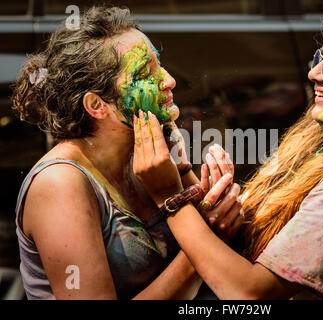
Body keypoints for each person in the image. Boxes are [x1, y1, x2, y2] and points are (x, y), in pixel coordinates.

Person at [133, 0, 323, 299]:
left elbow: (250, 294)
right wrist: (194, 183)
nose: (314, 73)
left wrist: (169, 197)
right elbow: (269, 245)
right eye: (318, 57)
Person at [12, 6, 242, 300]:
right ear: (96, 105)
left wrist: (211, 198)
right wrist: (205, 244)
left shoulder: (147, 153)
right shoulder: (59, 184)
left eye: (160, 64)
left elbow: (209, 239)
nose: (169, 80)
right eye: (146, 73)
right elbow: (204, 246)